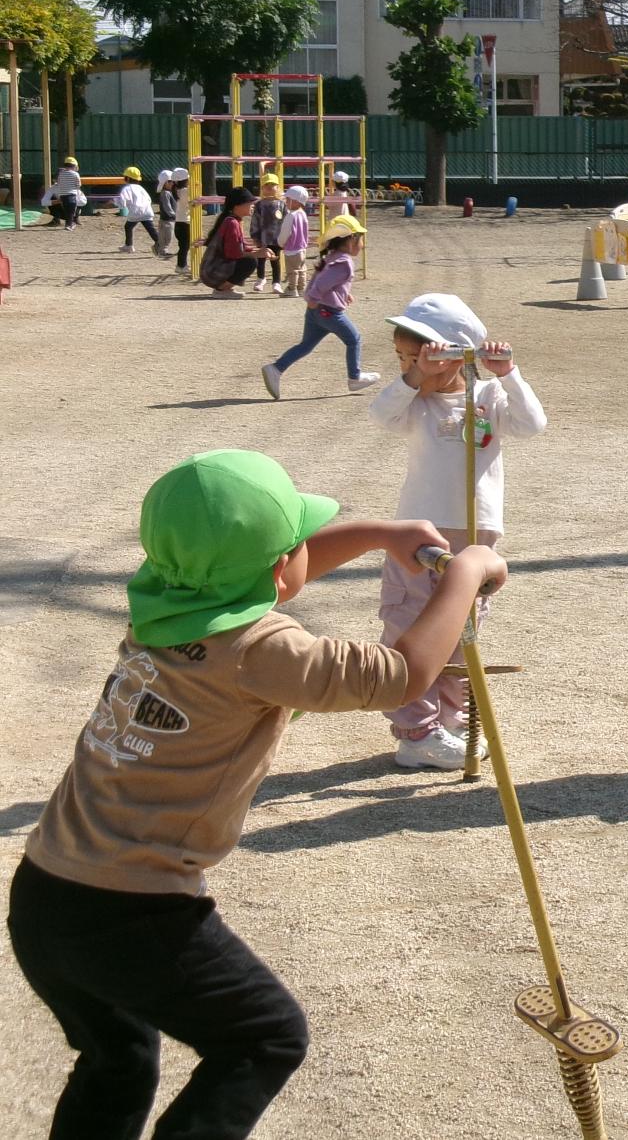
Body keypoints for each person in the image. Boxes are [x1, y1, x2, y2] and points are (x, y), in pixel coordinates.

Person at [6, 447, 504, 1140]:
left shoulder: (159, 599)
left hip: (45, 895)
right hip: (133, 912)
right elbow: (401, 674)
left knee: (117, 1060)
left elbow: (261, 575)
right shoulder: (260, 652)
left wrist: (379, 536)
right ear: (276, 568)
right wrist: (467, 572)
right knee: (264, 1038)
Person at [369, 293, 547, 769]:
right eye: (404, 359)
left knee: (459, 630)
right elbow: (381, 415)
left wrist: (506, 373)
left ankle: (451, 721)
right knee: (410, 624)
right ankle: (415, 731)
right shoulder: (415, 403)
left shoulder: (487, 396)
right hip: (419, 534)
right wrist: (413, 378)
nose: (410, 367)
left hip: (476, 533)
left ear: (453, 354)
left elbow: (532, 424)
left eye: (417, 358)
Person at [260, 216, 378, 398]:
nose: (362, 245)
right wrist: (314, 297)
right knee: (354, 339)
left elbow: (329, 281)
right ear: (351, 239)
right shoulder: (344, 262)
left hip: (316, 311)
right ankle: (354, 378)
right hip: (329, 312)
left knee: (306, 345)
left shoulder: (332, 257)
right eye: (361, 239)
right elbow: (323, 283)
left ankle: (276, 369)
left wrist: (343, 294)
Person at [197, 187, 269, 298]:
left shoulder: (233, 220)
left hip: (211, 271)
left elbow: (240, 248)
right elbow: (233, 253)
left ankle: (225, 288)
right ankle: (222, 290)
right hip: (212, 273)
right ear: (237, 205)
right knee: (250, 262)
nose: (252, 206)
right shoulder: (231, 223)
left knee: (250, 259)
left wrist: (261, 251)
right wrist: (257, 254)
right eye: (250, 203)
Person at [248, 174, 285, 293]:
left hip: (276, 238)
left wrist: (286, 236)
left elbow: (286, 220)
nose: (269, 187)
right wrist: (254, 236)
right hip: (262, 237)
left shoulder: (282, 204)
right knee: (261, 259)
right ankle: (260, 279)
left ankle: (276, 283)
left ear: (277, 187)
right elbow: (255, 220)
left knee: (275, 260)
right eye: (266, 185)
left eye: (272, 184)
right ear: (262, 188)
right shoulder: (259, 204)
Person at [112, 167, 161, 255]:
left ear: (127, 178)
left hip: (135, 212)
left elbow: (123, 202)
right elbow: (148, 199)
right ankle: (160, 243)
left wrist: (115, 202)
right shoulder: (141, 188)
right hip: (147, 211)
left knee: (128, 227)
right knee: (150, 229)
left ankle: (129, 245)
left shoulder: (126, 189)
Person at [275, 185, 312, 297]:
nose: (286, 202)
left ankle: (292, 288)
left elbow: (286, 232)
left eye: (288, 199)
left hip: (291, 248)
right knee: (302, 269)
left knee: (292, 270)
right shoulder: (303, 214)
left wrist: (280, 242)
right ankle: (301, 288)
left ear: (295, 201)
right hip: (302, 248)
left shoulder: (290, 216)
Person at [163, 168, 193, 268]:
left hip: (178, 222)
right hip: (185, 222)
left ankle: (181, 265)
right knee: (185, 246)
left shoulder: (175, 191)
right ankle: (181, 266)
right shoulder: (186, 191)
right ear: (185, 180)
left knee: (183, 246)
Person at [50, 156, 85, 231]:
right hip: (72, 195)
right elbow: (78, 185)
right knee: (72, 211)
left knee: (66, 211)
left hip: (63, 196)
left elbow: (59, 183)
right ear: (75, 166)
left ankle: (68, 224)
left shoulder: (61, 174)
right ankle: (69, 225)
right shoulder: (76, 174)